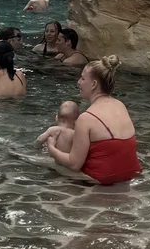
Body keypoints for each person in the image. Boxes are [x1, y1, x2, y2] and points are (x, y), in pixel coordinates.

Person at [46, 56, 139, 185]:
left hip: (101, 179)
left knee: (48, 161)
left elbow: (74, 164)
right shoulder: (120, 105)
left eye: (83, 78)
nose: (78, 82)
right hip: (131, 174)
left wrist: (52, 149)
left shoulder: (86, 118)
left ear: (94, 84)